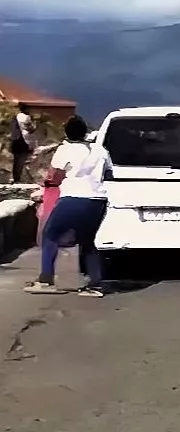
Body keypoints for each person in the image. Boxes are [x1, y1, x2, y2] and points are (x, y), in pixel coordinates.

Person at [24, 115, 111, 297]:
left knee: (50, 234)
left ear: (66, 132)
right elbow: (109, 173)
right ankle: (95, 286)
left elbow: (55, 176)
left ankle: (46, 280)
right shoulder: (100, 150)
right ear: (85, 131)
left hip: (73, 198)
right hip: (98, 199)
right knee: (88, 242)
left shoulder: (65, 150)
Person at [8, 103, 34, 183]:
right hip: (23, 142)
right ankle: (18, 179)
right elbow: (30, 129)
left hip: (15, 142)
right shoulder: (26, 117)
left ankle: (15, 178)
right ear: (25, 109)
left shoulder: (15, 117)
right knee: (21, 162)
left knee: (16, 161)